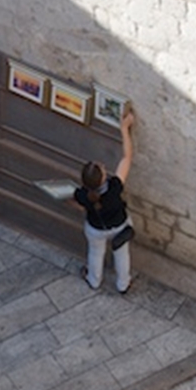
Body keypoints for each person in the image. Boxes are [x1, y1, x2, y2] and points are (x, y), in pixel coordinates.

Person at [72, 109, 136, 292]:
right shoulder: (114, 188)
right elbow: (127, 157)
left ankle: (94, 280)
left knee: (95, 253)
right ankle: (123, 284)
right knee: (121, 254)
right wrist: (124, 129)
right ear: (102, 177)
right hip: (119, 225)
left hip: (96, 228)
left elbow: (76, 202)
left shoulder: (82, 195)